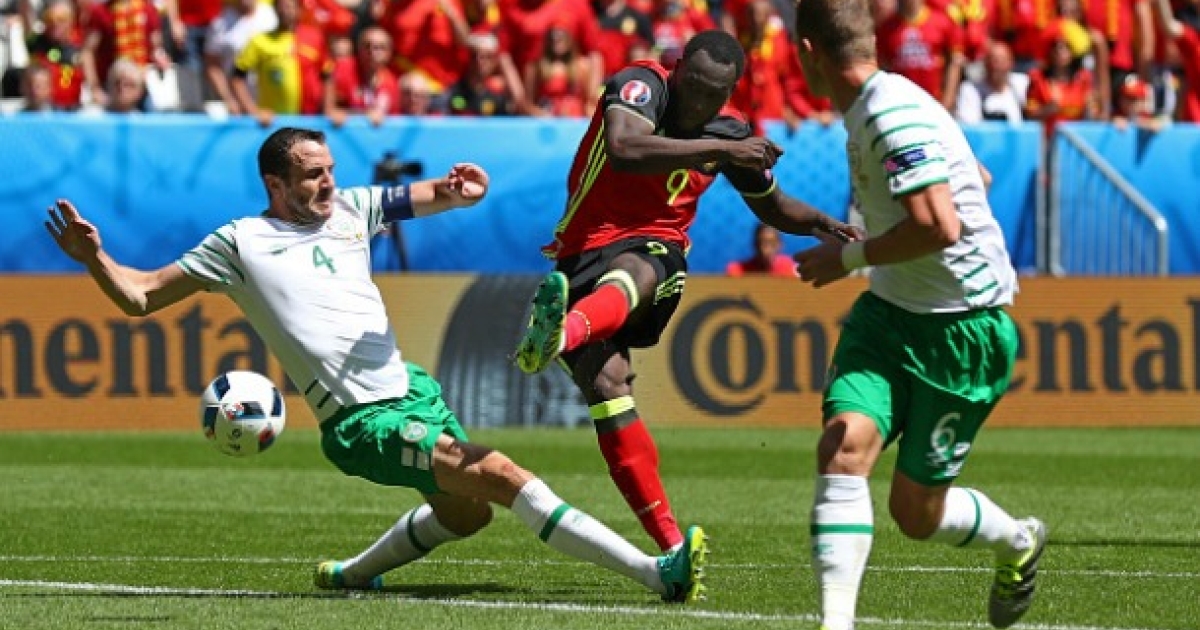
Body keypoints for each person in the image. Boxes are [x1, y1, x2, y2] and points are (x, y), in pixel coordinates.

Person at [44, 127, 707, 605]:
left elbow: (424, 195)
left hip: (412, 391)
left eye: (330, 169)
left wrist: (460, 191)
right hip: (361, 423)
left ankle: (351, 575)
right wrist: (94, 258)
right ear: (275, 184)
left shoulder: (351, 209)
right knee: (502, 475)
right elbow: (140, 295)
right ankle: (657, 574)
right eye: (312, 174)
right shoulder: (240, 243)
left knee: (467, 514)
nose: (327, 182)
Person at [512, 29, 857, 554]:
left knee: (641, 265)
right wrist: (724, 149)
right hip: (580, 251)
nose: (697, 100)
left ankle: (561, 332)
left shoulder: (730, 130)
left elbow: (772, 205)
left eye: (711, 93)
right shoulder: (640, 84)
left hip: (656, 248)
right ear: (677, 69)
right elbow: (625, 148)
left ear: (729, 92)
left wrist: (824, 224)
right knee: (607, 385)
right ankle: (673, 551)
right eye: (692, 84)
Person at [789, 1, 1047, 629]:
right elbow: (978, 176)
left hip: (962, 328)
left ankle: (1017, 542)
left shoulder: (889, 114)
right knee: (843, 447)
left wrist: (849, 257)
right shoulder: (888, 102)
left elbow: (940, 224)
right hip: (888, 316)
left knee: (915, 514)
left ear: (807, 53)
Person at [725, 223, 797, 277]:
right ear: (754, 244)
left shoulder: (791, 269)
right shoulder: (738, 271)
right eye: (762, 243)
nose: (766, 250)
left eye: (772, 244)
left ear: (780, 245)